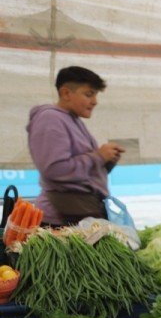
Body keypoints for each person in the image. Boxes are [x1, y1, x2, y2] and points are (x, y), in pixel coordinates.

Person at [27, 66, 125, 226]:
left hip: (80, 211)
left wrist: (107, 160)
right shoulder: (50, 119)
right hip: (61, 220)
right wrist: (98, 156)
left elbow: (83, 173)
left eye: (95, 95)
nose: (95, 101)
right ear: (66, 93)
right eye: (89, 94)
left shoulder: (72, 119)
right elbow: (55, 170)